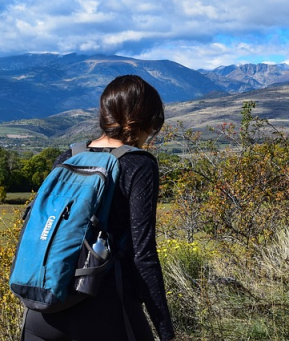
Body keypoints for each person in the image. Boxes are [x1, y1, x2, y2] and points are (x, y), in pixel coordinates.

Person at [22, 75, 175, 341]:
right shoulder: (138, 165)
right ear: (147, 120)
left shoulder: (68, 157)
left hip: (42, 309)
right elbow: (144, 255)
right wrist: (165, 329)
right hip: (105, 308)